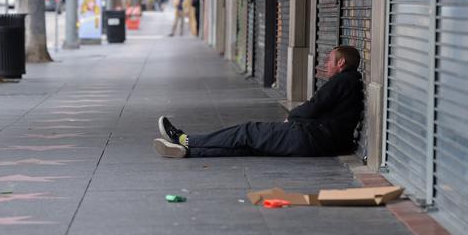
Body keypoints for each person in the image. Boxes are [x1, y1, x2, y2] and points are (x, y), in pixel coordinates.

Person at [153, 45, 364, 158]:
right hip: (319, 142)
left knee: (247, 132)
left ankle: (185, 140)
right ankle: (189, 151)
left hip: (308, 138)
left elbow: (314, 106)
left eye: (330, 60)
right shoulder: (350, 83)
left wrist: (292, 118)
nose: (326, 64)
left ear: (342, 63)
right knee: (251, 147)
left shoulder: (342, 81)